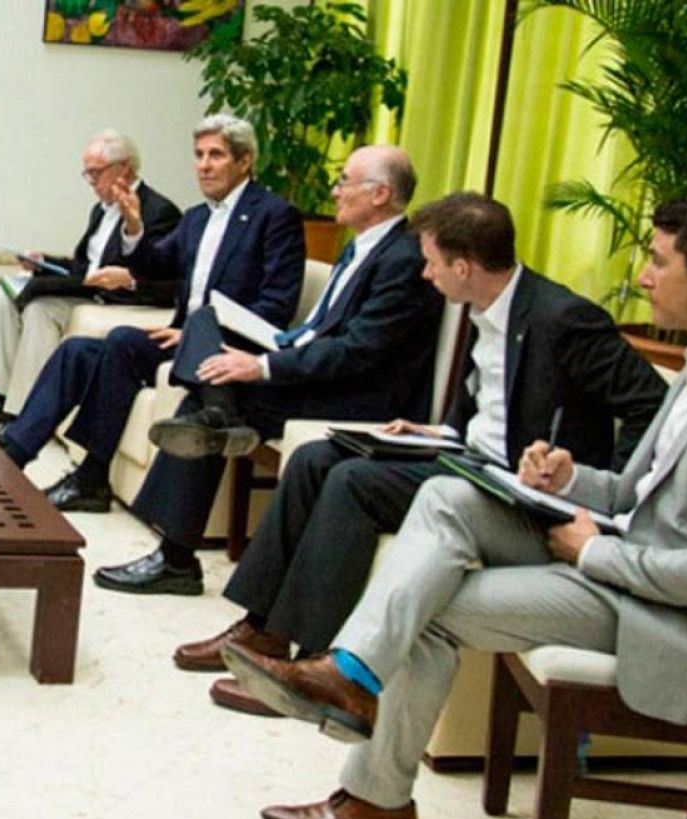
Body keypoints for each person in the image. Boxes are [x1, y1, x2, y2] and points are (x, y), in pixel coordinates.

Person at [224, 193, 687, 819]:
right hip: (614, 555)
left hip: (664, 612)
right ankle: (350, 676)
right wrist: (570, 478)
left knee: (425, 606)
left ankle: (376, 793)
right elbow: (634, 494)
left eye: (658, 260)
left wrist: (591, 554)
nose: (643, 276)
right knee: (448, 497)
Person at [178, 193, 669, 718]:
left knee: (352, 482)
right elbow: (491, 404)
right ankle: (263, 631)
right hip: (466, 460)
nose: (426, 275)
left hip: (516, 491)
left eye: (432, 263)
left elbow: (649, 404)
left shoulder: (564, 318)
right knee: (315, 459)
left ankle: (317, 666)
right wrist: (438, 431)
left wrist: (597, 489)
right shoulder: (486, 308)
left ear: (463, 266)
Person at [92, 145, 444, 596]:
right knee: (205, 323)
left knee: (209, 393)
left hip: (355, 395)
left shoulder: (403, 258)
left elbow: (357, 352)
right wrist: (273, 344)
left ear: (379, 194)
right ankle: (217, 422)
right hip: (320, 367)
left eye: (344, 182)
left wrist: (262, 365)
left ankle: (177, 557)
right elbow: (320, 328)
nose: (334, 192)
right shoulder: (365, 245)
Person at [0, 114, 305, 514]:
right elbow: (155, 264)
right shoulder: (197, 216)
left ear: (244, 162)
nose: (204, 165)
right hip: (181, 340)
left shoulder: (274, 216)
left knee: (122, 341)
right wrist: (135, 226)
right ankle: (11, 456)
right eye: (198, 155)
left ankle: (91, 477)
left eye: (216, 155)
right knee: (77, 352)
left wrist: (199, 334)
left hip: (224, 350)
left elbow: (276, 305)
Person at [0, 129, 181, 423]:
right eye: (87, 174)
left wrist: (127, 277)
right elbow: (85, 264)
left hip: (119, 298)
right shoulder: (100, 210)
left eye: (96, 173)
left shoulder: (159, 211)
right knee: (6, 301)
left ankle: (24, 411)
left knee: (41, 309)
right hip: (90, 290)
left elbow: (160, 274)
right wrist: (43, 262)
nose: (91, 182)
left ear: (124, 167)